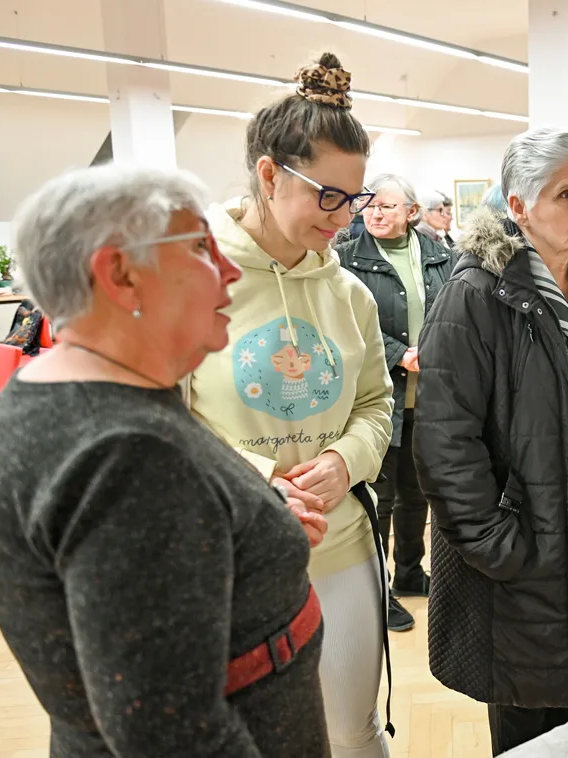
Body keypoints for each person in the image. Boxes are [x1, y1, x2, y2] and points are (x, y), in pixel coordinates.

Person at [0, 164, 330, 756]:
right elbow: (169, 733)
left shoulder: (72, 397)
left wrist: (245, 519)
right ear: (120, 274)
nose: (228, 270)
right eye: (200, 248)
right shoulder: (125, 458)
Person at [412, 128, 568, 755]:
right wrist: (501, 547)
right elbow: (445, 444)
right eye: (565, 194)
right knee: (531, 732)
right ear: (519, 206)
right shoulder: (475, 295)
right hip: (528, 546)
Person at [188, 53, 395, 758]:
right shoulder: (195, 278)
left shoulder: (350, 294)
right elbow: (164, 422)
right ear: (270, 175)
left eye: (355, 198)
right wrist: (260, 480)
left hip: (341, 543)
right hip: (233, 552)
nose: (344, 218)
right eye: (328, 195)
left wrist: (344, 462)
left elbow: (376, 404)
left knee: (352, 730)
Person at [337, 172, 454, 633]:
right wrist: (400, 353)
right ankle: (378, 591)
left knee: (417, 492)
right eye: (369, 205)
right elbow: (347, 323)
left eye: (386, 206)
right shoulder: (347, 257)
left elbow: (454, 311)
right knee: (380, 499)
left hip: (429, 397)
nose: (374, 213)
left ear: (411, 212)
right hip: (377, 397)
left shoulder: (440, 255)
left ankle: (409, 571)